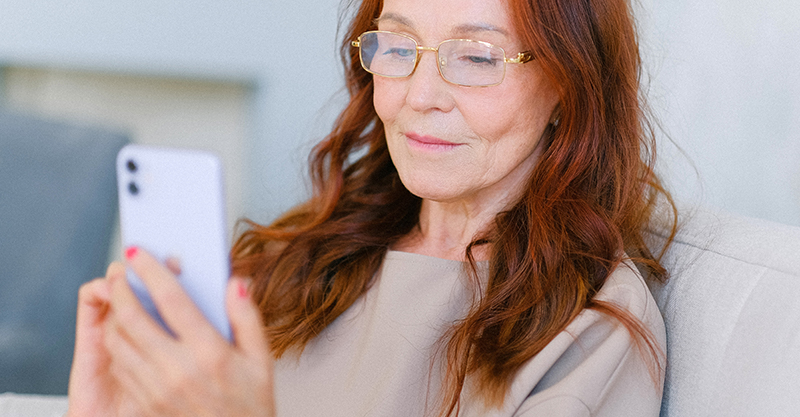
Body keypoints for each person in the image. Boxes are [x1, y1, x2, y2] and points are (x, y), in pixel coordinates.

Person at [66, 0, 677, 415]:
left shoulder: (589, 328)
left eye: (478, 57)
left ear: (571, 85)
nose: (420, 95)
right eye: (397, 45)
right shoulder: (309, 257)